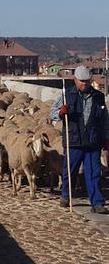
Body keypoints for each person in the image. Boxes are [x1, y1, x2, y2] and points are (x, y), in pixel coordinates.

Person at [49, 65, 109, 214]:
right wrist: (61, 112)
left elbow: (104, 120)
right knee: (70, 170)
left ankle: (97, 202)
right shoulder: (67, 95)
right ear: (75, 80)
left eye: (87, 81)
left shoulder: (98, 97)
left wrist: (107, 138)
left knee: (94, 172)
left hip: (93, 141)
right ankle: (66, 195)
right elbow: (52, 113)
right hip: (73, 140)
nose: (84, 84)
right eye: (82, 81)